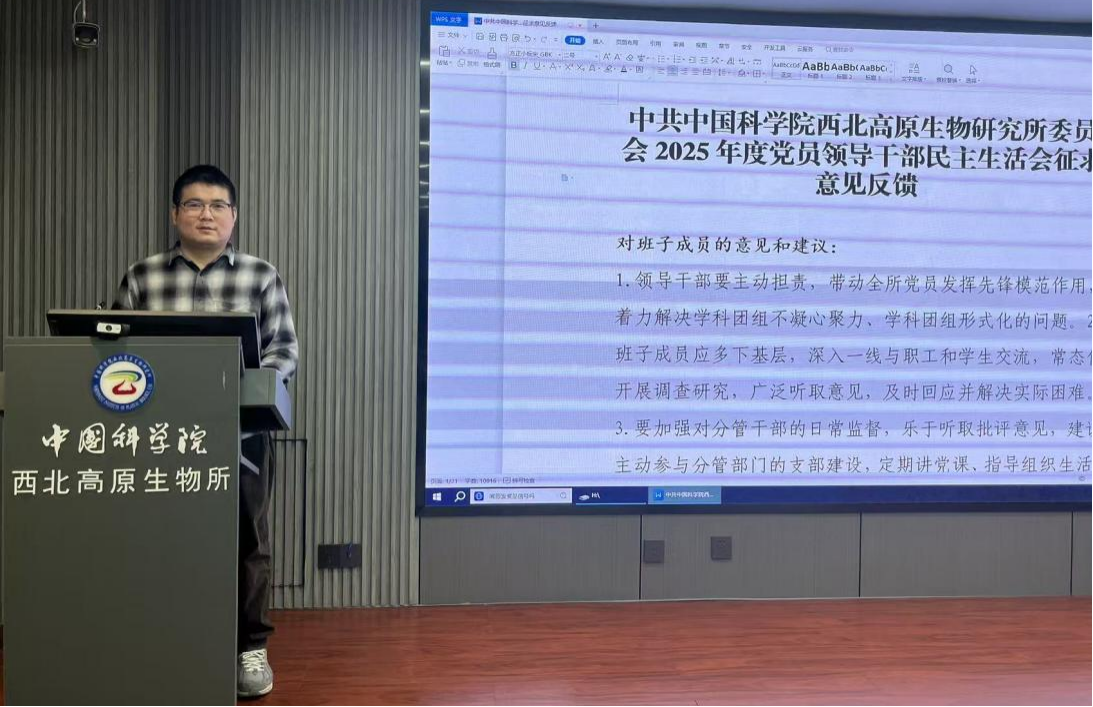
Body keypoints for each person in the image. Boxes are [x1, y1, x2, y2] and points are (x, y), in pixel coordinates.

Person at [113, 164, 298, 699]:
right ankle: (166, 640)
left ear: (233, 216)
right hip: (159, 437)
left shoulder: (260, 276)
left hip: (240, 435)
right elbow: (115, 351)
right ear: (175, 214)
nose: (206, 215)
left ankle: (250, 648)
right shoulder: (143, 277)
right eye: (194, 204)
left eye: (218, 206)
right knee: (160, 537)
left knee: (248, 543)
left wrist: (242, 393)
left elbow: (284, 352)